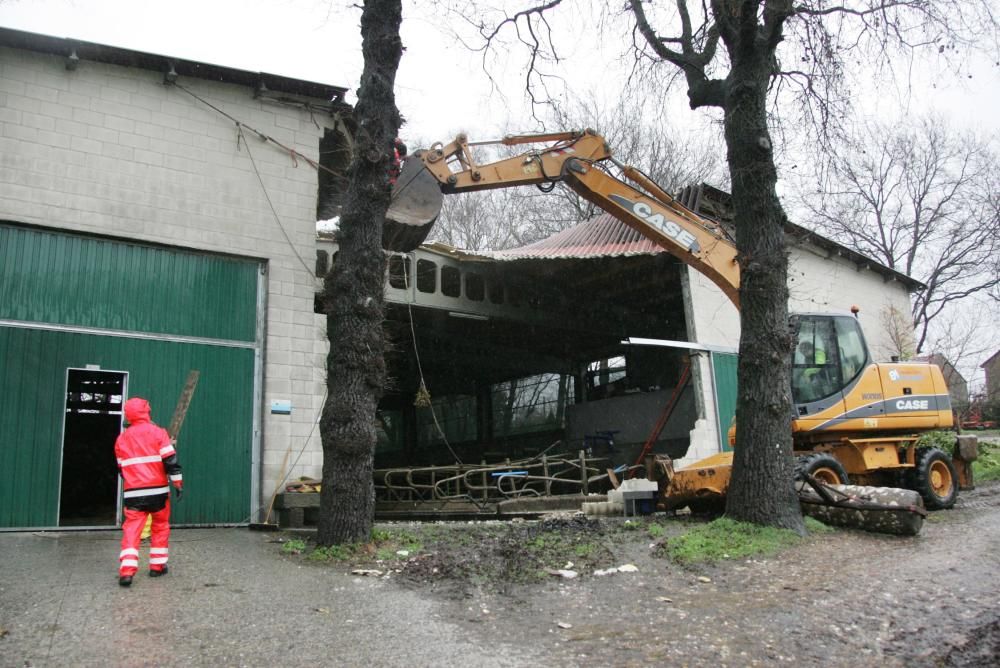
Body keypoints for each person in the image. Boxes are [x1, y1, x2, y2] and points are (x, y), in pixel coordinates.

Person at [114, 397, 183, 587]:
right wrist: (178, 484)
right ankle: (157, 567)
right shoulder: (159, 433)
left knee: (131, 530)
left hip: (133, 493)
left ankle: (126, 572)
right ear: (147, 412)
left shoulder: (121, 439)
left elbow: (121, 469)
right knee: (160, 526)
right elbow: (171, 462)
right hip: (158, 492)